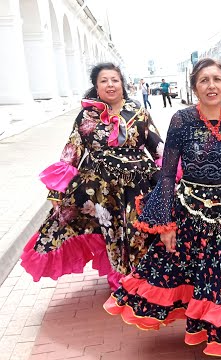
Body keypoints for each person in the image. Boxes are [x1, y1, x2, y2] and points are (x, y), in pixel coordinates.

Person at [104, 58, 221, 359]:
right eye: (204, 80)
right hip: (191, 210)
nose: (211, 86)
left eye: (217, 80)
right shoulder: (182, 120)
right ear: (194, 86)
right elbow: (169, 173)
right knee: (200, 271)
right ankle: (210, 327)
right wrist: (165, 224)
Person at [20, 62, 164, 290]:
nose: (110, 85)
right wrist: (57, 190)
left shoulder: (138, 111)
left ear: (122, 84)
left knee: (136, 230)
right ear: (96, 87)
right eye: (104, 81)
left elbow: (155, 144)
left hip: (138, 184)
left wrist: (169, 173)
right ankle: (119, 277)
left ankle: (139, 275)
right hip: (99, 187)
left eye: (115, 80)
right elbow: (72, 150)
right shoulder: (86, 116)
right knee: (113, 231)